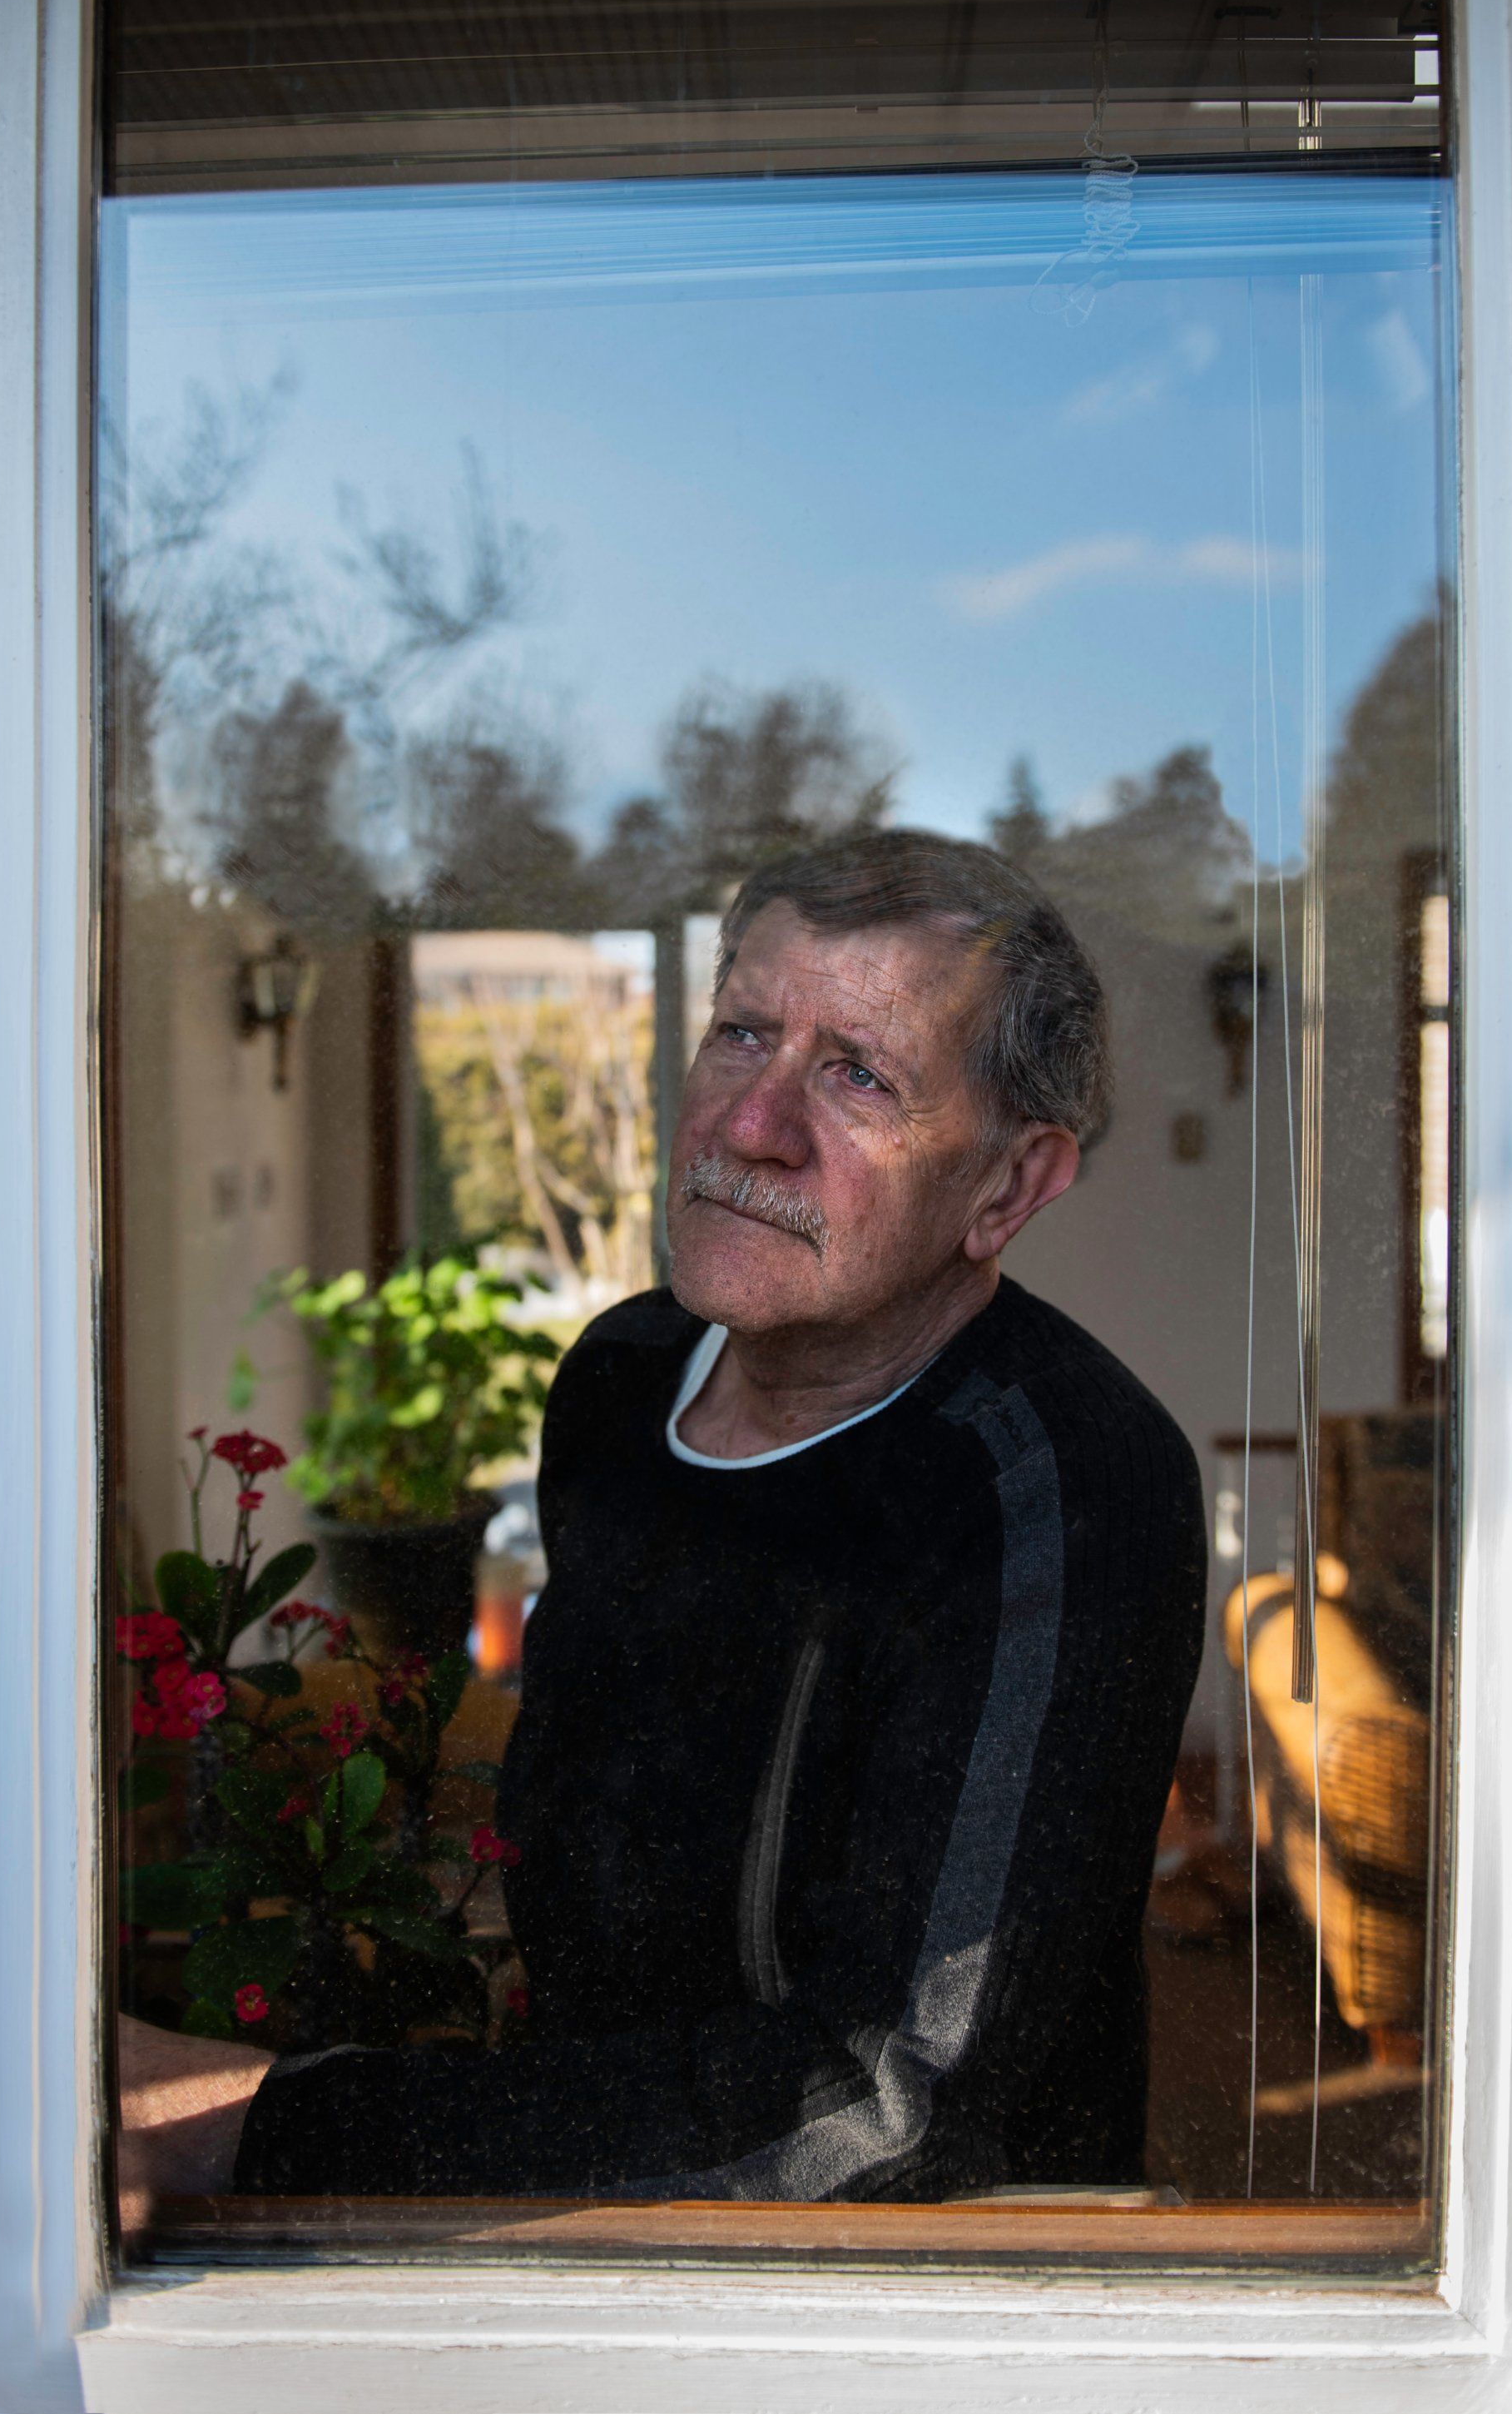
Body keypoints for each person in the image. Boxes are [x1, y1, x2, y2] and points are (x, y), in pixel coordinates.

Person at [121, 828, 1205, 2205]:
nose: (752, 1122)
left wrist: (253, 2123)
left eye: (859, 1074)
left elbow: (894, 2107)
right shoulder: (623, 1380)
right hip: (578, 2218)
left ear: (1008, 1184)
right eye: (742, 1033)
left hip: (915, 2305)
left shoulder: (1065, 1488)